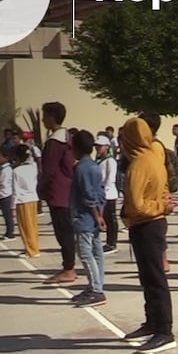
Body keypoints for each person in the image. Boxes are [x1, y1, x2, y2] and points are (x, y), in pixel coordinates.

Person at [119, 115, 178, 353]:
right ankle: (153, 322)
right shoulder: (152, 156)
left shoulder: (139, 164)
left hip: (147, 224)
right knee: (149, 278)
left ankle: (164, 330)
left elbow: (136, 205)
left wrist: (160, 207)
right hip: (150, 224)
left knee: (154, 279)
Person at [37, 102, 79, 286]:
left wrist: (41, 188)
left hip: (58, 192)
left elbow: (49, 169)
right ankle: (69, 266)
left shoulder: (55, 142)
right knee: (66, 231)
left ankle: (68, 269)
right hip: (67, 190)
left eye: (45, 115)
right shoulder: (68, 137)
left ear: (53, 116)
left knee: (63, 232)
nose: (42, 119)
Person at [69, 130, 108, 308]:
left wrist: (96, 215)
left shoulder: (82, 168)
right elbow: (99, 193)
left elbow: (88, 195)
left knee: (85, 252)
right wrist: (100, 214)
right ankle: (96, 285)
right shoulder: (93, 166)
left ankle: (96, 290)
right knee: (96, 251)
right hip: (92, 215)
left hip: (85, 216)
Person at [12, 144, 40, 257]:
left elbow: (15, 190)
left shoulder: (16, 171)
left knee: (25, 227)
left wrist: (12, 206)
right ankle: (34, 247)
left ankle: (31, 250)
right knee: (33, 225)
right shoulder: (33, 167)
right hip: (33, 198)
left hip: (22, 200)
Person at [95, 135, 120, 254]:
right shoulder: (99, 160)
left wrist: (104, 191)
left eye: (100, 146)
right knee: (106, 218)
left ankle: (112, 243)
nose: (98, 148)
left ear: (107, 147)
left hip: (108, 193)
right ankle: (108, 241)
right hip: (101, 193)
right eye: (97, 146)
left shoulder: (110, 161)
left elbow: (110, 178)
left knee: (111, 219)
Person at [0, 146, 16, 241]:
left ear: (6, 158)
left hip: (6, 194)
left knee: (8, 216)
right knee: (6, 215)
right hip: (3, 194)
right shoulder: (3, 169)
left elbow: (3, 183)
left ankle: (10, 233)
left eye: (0, 157)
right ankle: (8, 232)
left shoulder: (7, 170)